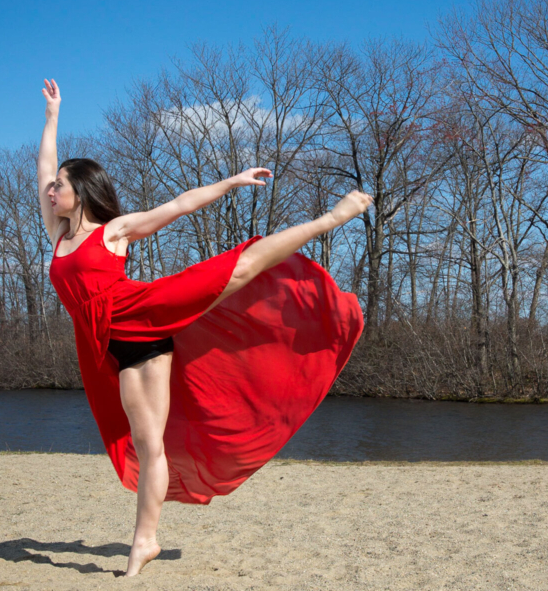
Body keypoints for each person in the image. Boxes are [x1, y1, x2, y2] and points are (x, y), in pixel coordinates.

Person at [37, 78, 370, 577]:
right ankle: (147, 540)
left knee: (237, 269)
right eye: (53, 184)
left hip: (143, 318)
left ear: (81, 191)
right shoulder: (57, 233)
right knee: (147, 444)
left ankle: (330, 219)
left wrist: (230, 183)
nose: (51, 188)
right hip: (110, 345)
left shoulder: (114, 231)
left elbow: (179, 207)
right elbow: (42, 167)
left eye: (61, 183)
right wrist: (52, 118)